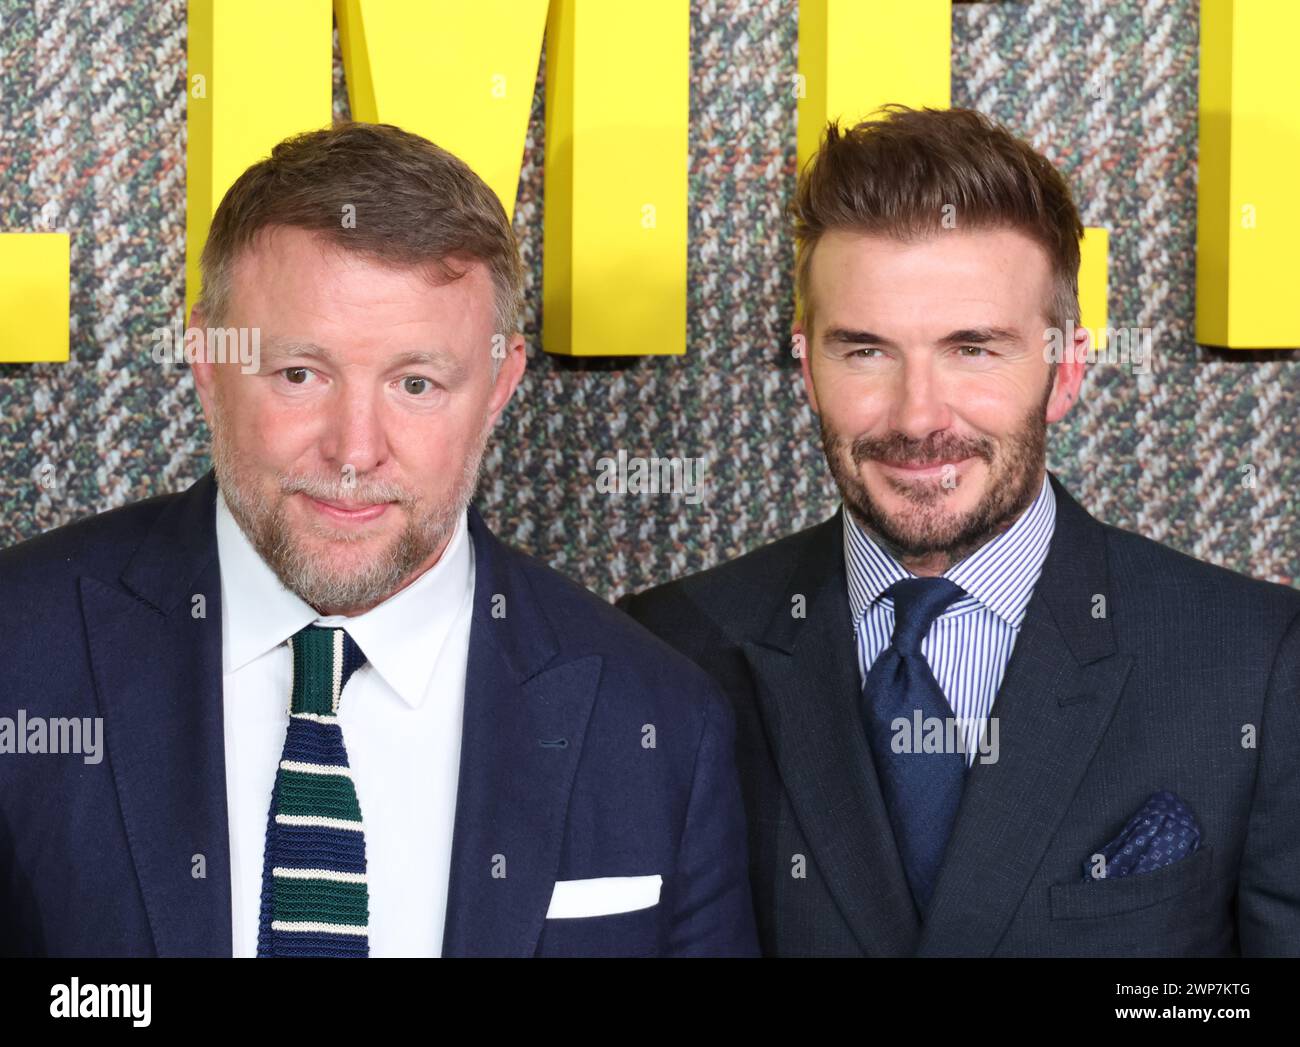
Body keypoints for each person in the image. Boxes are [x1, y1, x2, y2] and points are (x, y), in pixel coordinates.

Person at [0, 121, 758, 958]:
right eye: (300, 374)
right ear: (207, 360)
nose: (355, 450)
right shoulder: (18, 652)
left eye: (416, 382)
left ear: (502, 382)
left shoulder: (657, 721)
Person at [620, 106, 1300, 957]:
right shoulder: (663, 652)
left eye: (974, 349)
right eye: (864, 350)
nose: (918, 416)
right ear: (807, 366)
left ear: (1067, 369)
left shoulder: (1257, 663)